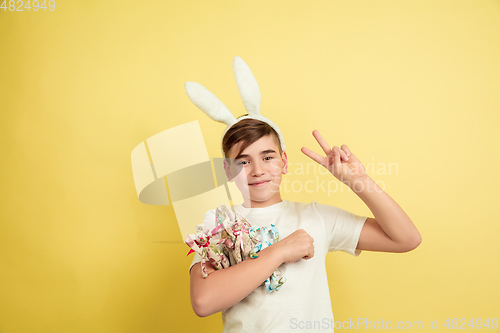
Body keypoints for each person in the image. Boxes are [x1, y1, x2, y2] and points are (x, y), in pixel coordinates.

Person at [184, 56, 422, 332]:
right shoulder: (217, 222)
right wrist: (279, 251)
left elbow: (406, 239)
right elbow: (203, 302)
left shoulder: (316, 217)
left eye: (268, 157)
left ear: (284, 161)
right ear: (228, 170)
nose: (257, 170)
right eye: (243, 161)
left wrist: (360, 182)